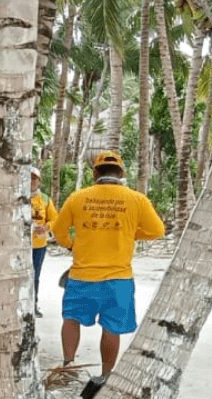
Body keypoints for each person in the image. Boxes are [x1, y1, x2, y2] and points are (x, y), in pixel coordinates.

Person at [51, 150, 165, 379]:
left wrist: (72, 245)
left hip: (82, 275)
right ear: (121, 173)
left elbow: (58, 230)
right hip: (118, 279)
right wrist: (130, 234)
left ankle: (68, 365)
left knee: (71, 319)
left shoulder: (78, 197)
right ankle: (104, 375)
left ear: (95, 173)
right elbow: (157, 231)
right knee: (112, 327)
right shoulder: (136, 199)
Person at [29, 167, 58, 317]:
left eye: (34, 178)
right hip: (20, 246)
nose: (32, 181)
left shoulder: (45, 199)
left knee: (35, 275)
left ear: (39, 181)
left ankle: (33, 305)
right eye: (29, 178)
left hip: (38, 245)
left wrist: (46, 227)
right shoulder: (19, 197)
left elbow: (54, 219)